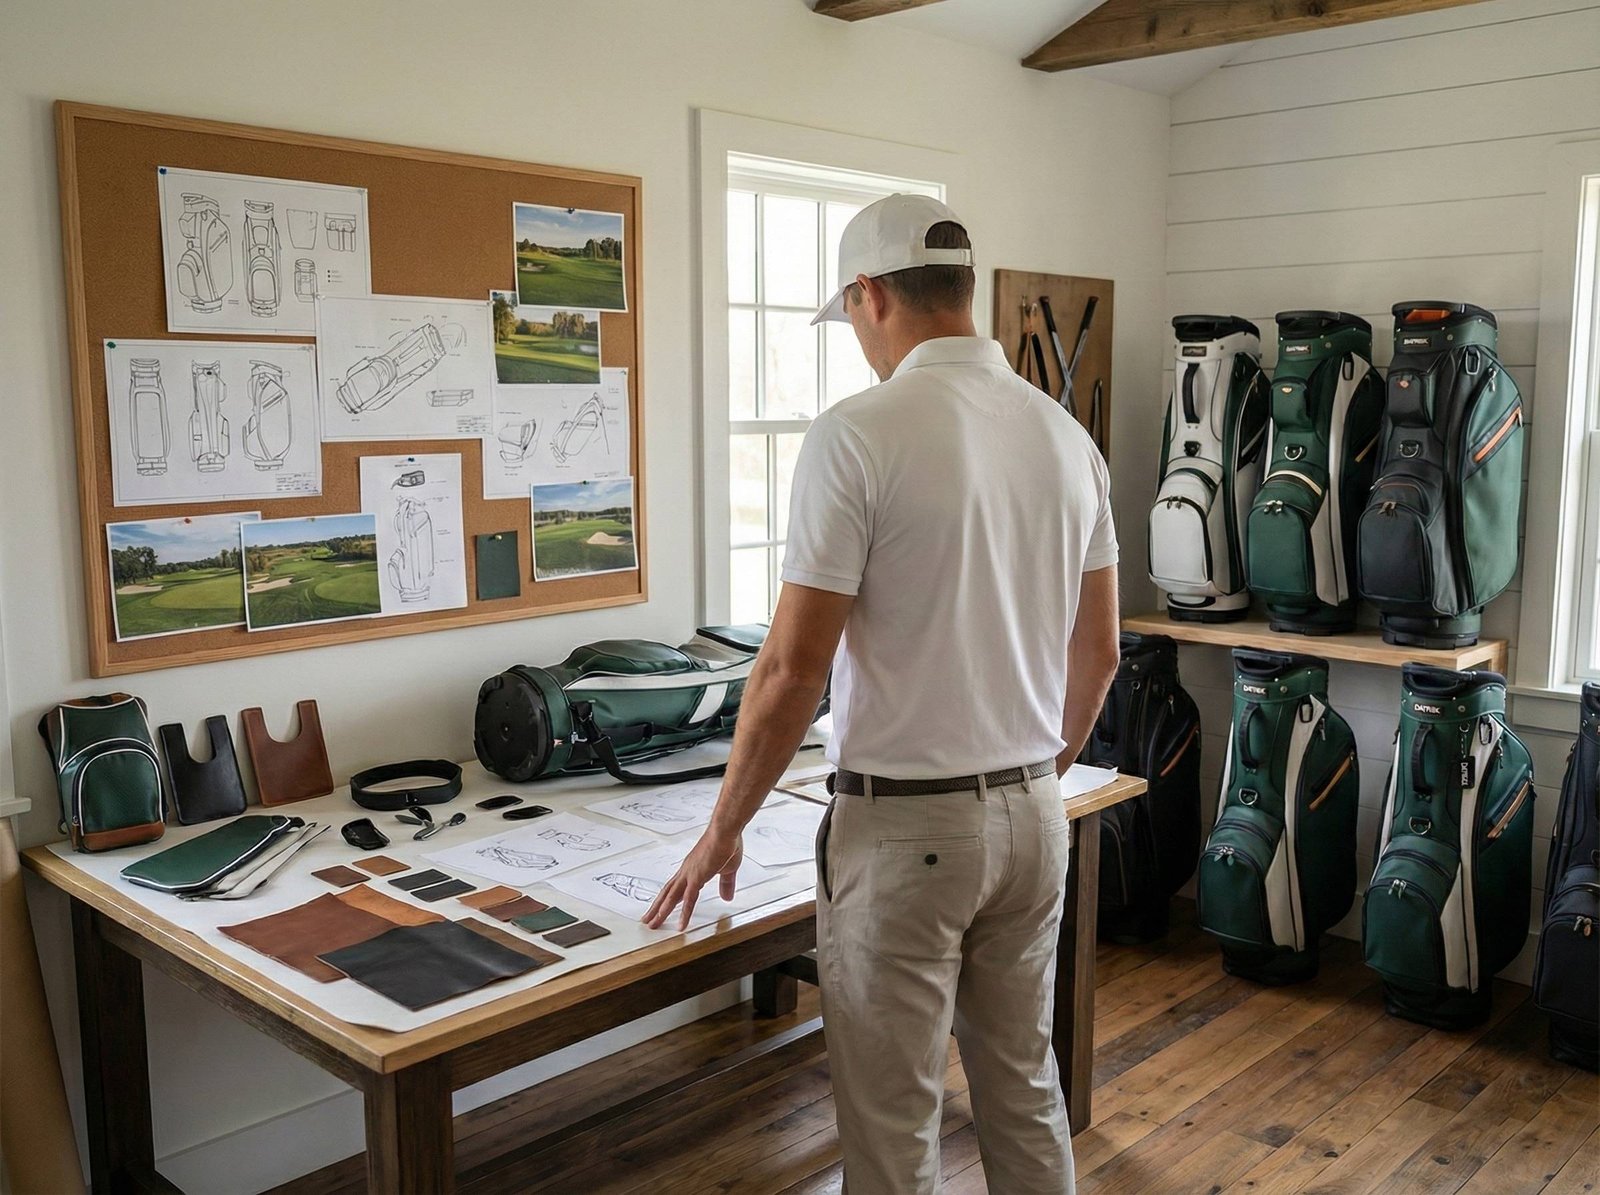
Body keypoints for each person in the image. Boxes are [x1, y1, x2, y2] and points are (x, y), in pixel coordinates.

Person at [644, 193, 1121, 1193]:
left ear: (867, 296)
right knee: (1022, 1083)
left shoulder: (856, 434)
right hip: (1035, 813)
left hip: (906, 831)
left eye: (853, 316)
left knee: (892, 1119)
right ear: (964, 289)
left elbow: (789, 670)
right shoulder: (1063, 437)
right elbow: (1102, 651)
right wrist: (1040, 765)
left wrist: (722, 826)